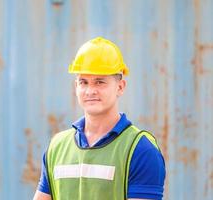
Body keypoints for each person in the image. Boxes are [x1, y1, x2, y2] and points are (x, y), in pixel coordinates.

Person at [33, 37, 166, 200]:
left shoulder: (141, 150)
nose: (90, 91)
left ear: (120, 87)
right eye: (83, 82)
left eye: (99, 82)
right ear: (76, 87)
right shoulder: (57, 147)